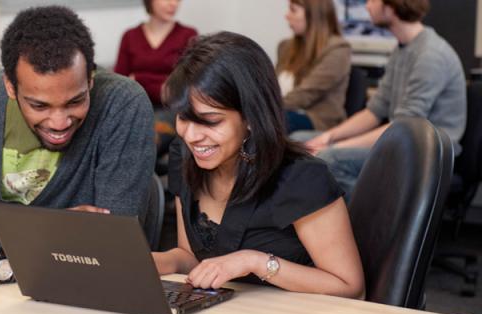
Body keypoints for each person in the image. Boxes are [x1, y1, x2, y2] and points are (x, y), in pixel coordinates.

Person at [0, 6, 156, 290]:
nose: (59, 122)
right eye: (39, 105)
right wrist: (59, 231)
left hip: (86, 294)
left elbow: (112, 243)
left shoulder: (123, 103)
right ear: (10, 87)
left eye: (75, 102)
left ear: (90, 79)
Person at [153, 32, 365, 298]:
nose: (192, 136)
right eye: (184, 118)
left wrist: (254, 261)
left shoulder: (302, 179)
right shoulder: (184, 157)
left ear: (251, 117)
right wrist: (159, 261)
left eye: (210, 121)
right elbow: (194, 259)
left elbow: (350, 287)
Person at [304, 0, 466, 195]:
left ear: (391, 7)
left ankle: (374, 224)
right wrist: (328, 136)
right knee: (301, 141)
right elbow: (375, 111)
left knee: (333, 159)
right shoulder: (402, 50)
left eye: (372, 0)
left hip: (426, 154)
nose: (367, 6)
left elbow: (404, 127)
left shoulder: (431, 56)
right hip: (402, 142)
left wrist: (333, 147)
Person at [114, 0, 197, 156]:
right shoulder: (130, 36)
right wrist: (163, 84)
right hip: (134, 107)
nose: (173, 4)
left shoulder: (188, 35)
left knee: (146, 135)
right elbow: (119, 85)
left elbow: (183, 88)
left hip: (171, 109)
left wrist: (138, 78)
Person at [277, 0, 351, 133]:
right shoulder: (285, 47)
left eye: (293, 10)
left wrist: (267, 109)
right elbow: (272, 88)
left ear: (314, 14)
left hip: (317, 120)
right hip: (285, 110)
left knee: (271, 122)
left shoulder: (338, 49)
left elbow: (307, 93)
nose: (287, 15)